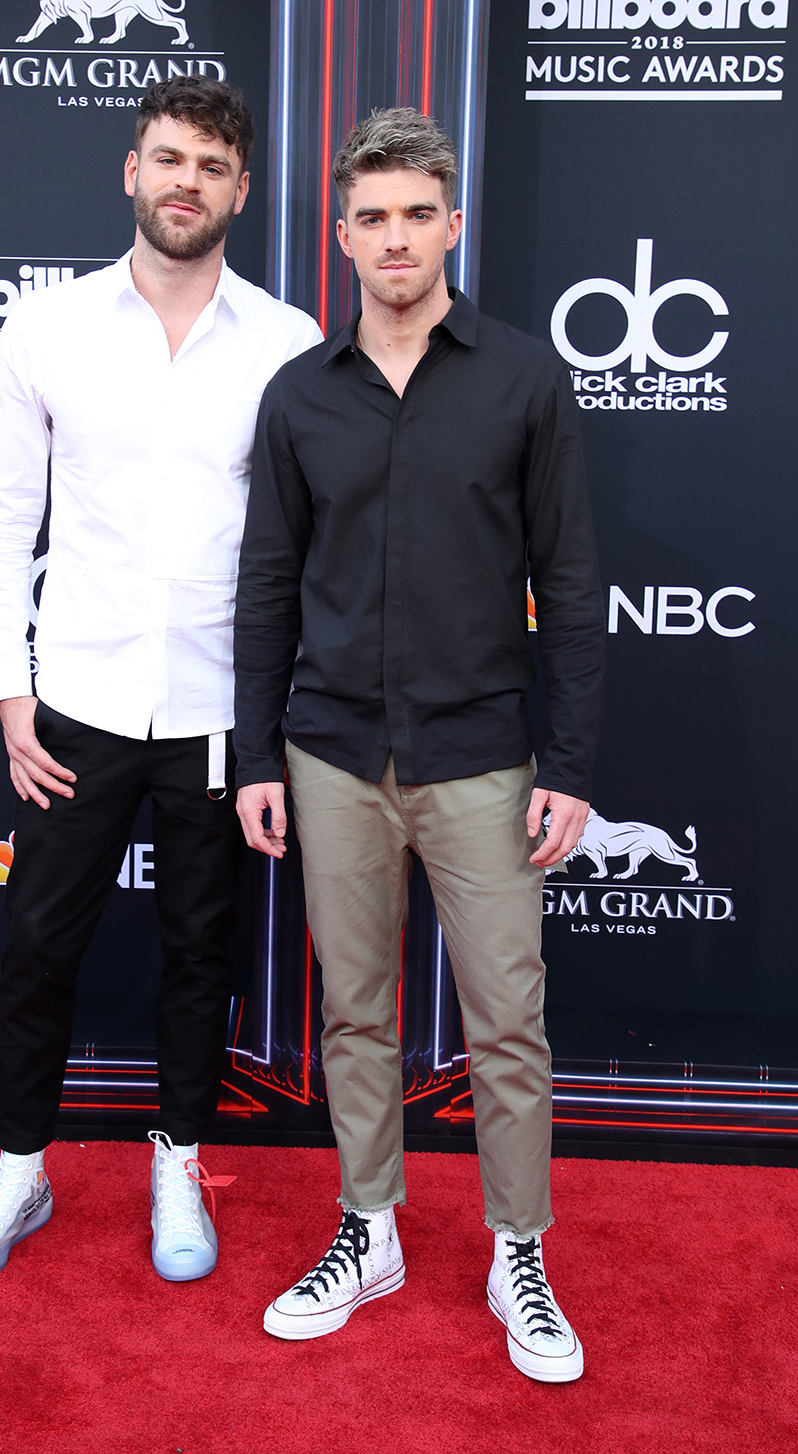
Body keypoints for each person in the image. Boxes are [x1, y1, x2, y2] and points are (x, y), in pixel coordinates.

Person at [0, 76, 320, 1290]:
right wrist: (10, 694)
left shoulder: (290, 340)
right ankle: (18, 1172)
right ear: (131, 172)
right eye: (167, 158)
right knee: (39, 941)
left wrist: (277, 721)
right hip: (76, 705)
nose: (185, 181)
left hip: (216, 710)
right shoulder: (48, 326)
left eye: (209, 164)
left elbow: (307, 544)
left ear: (240, 190)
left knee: (201, 953)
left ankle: (178, 1157)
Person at [233, 108, 604, 1382]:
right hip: (330, 749)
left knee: (507, 1019)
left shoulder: (520, 377)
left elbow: (568, 575)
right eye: (371, 217)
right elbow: (268, 587)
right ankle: (370, 1227)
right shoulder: (299, 396)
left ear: (454, 223)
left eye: (416, 214)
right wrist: (253, 756)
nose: (395, 238)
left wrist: (569, 764)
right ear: (341, 236)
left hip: (483, 754)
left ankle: (518, 1251)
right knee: (355, 1013)